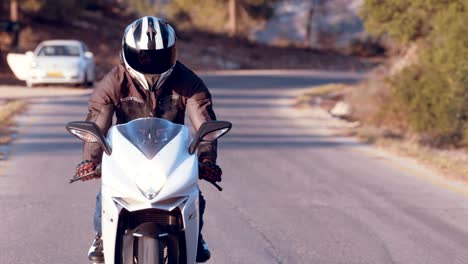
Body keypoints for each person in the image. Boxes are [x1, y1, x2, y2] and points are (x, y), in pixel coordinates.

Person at [74, 16, 222, 263]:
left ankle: (195, 237)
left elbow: (204, 123)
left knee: (192, 192)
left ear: (172, 53)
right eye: (142, 56)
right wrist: (90, 160)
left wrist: (206, 159)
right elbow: (98, 120)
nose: (150, 62)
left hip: (172, 152)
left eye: (158, 56)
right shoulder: (113, 81)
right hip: (127, 151)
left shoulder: (188, 81)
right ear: (126, 52)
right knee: (108, 191)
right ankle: (102, 235)